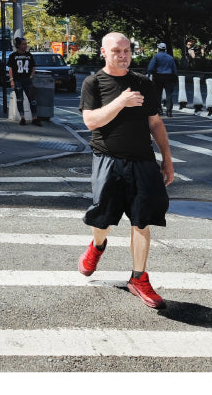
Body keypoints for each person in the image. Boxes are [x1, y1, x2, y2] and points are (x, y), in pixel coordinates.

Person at [77, 31, 176, 310]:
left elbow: (155, 123)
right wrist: (121, 101)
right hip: (108, 159)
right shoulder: (93, 83)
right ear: (104, 52)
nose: (123, 55)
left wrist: (167, 159)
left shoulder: (143, 83)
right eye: (117, 51)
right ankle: (97, 246)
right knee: (103, 220)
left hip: (142, 160)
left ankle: (139, 278)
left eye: (127, 51)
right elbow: (91, 122)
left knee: (142, 220)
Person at [7, 37, 42, 126]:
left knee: (32, 99)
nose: (25, 45)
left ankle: (35, 118)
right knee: (20, 99)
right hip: (18, 79)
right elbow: (10, 69)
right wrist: (11, 80)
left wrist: (31, 76)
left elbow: (33, 67)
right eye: (23, 44)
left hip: (27, 80)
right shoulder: (13, 56)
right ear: (18, 45)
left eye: (26, 43)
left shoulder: (29, 55)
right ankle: (22, 118)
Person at [146, 41, 179, 117]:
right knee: (169, 94)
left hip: (158, 77)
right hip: (168, 77)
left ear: (159, 49)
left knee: (158, 94)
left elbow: (150, 68)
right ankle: (169, 111)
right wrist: (175, 78)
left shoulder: (156, 57)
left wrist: (149, 76)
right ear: (165, 49)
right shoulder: (170, 57)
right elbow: (174, 69)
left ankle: (159, 110)